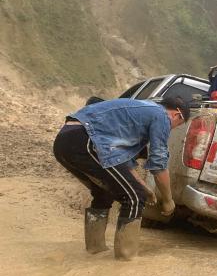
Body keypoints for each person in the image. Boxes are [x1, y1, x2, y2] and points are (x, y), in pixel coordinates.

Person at [53, 97, 190, 260]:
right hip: (85, 141)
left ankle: (94, 250)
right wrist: (168, 200)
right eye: (177, 126)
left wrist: (145, 188)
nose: (171, 129)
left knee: (104, 192)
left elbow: (122, 164)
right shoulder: (161, 116)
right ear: (177, 115)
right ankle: (126, 258)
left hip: (64, 142)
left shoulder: (139, 113)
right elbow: (159, 164)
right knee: (134, 198)